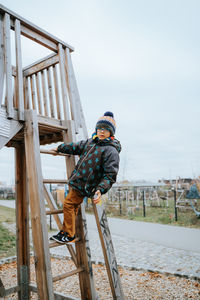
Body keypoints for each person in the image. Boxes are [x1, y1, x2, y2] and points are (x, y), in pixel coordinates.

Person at [50, 111, 121, 244]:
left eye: (105, 130)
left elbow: (110, 175)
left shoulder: (111, 151)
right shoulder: (90, 142)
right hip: (78, 182)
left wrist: (100, 189)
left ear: (111, 133)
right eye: (99, 129)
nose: (101, 132)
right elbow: (75, 147)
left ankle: (68, 234)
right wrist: (59, 148)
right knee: (73, 206)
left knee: (68, 204)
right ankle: (67, 231)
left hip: (86, 185)